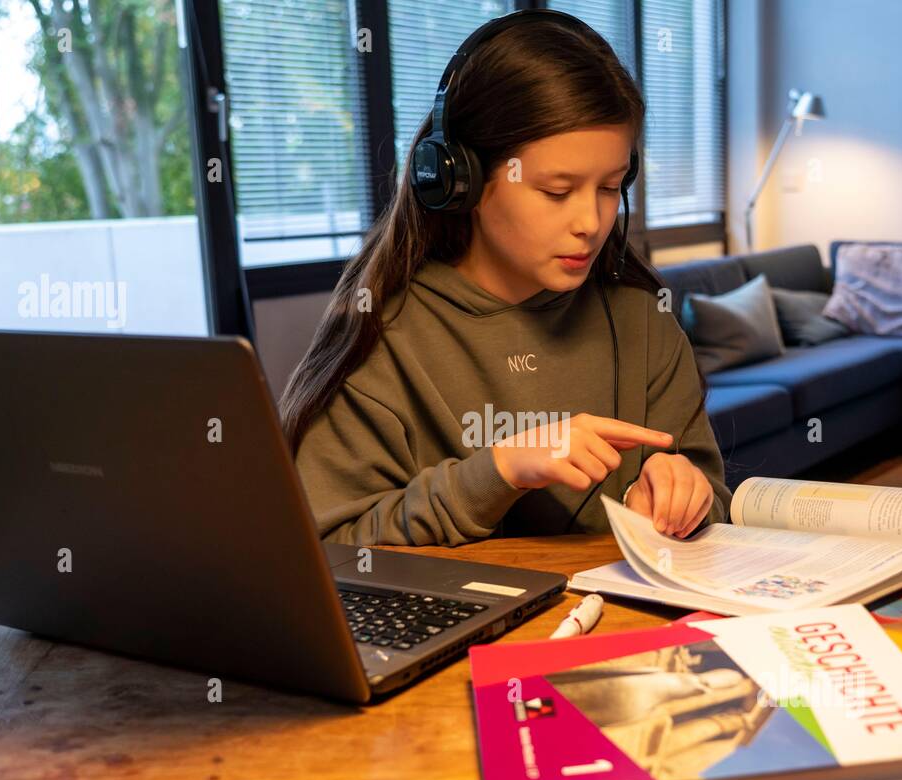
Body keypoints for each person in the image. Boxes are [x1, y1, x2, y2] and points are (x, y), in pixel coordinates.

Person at [282, 12, 732, 546]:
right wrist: (499, 471)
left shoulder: (642, 317)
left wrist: (685, 496)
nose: (590, 223)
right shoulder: (384, 332)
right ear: (460, 180)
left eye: (610, 187)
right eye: (556, 191)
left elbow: (713, 504)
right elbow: (331, 547)